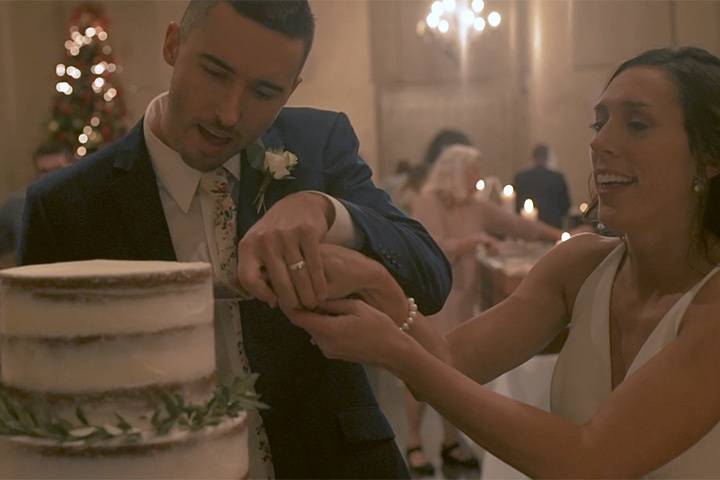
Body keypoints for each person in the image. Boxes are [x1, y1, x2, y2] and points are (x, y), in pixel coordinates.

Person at [18, 1, 452, 478]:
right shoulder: (63, 207)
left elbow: (430, 277)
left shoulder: (318, 144)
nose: (228, 114)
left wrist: (326, 210)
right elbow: (39, 398)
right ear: (172, 44)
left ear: (291, 90)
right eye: (215, 73)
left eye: (264, 91)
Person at [288, 46, 720, 478]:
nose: (599, 141)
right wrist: (380, 288)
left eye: (637, 124)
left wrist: (396, 350)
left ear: (709, 156)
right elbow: (452, 366)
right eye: (600, 122)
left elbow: (590, 459)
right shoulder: (579, 266)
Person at [403, 144, 562, 474]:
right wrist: (472, 241)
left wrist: (561, 235)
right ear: (455, 170)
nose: (478, 177)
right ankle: (415, 442)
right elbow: (429, 248)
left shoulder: (476, 205)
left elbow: (518, 225)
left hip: (462, 298)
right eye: (473, 170)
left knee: (453, 371)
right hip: (434, 298)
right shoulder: (428, 200)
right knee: (420, 369)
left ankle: (449, 442)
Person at [0, 143, 73, 264]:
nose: (51, 176)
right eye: (44, 171)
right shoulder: (17, 204)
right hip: (32, 279)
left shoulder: (87, 201)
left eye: (58, 169)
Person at [513, 143, 571, 228]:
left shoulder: (520, 177)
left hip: (526, 227)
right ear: (548, 157)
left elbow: (516, 206)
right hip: (552, 227)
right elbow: (565, 206)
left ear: (533, 157)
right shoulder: (557, 178)